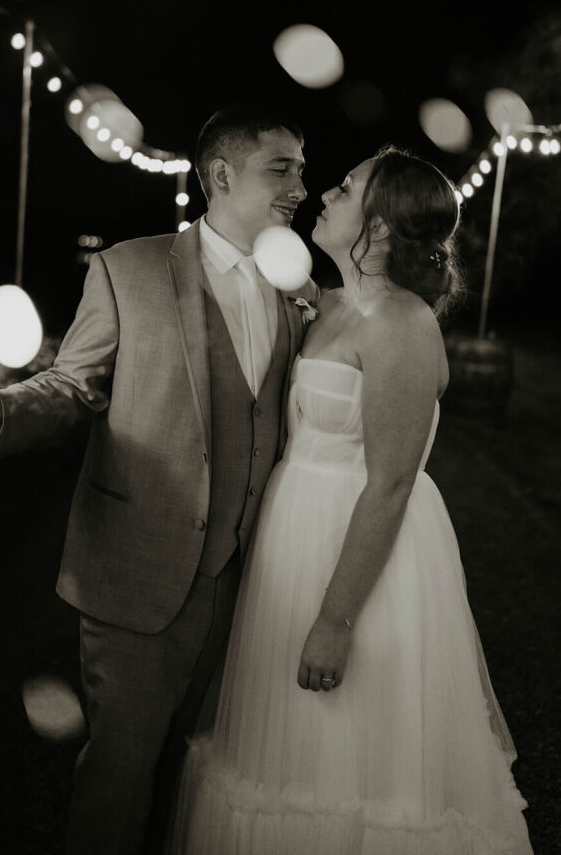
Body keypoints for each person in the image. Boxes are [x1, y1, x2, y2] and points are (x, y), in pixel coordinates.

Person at [0, 103, 317, 854]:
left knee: (203, 775)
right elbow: (70, 387)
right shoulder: (129, 268)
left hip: (250, 582)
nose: (300, 185)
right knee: (119, 775)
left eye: (302, 168)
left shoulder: (295, 286)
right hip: (139, 569)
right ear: (221, 175)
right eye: (283, 168)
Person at [171, 145, 534, 854]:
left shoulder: (401, 324)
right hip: (292, 542)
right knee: (276, 744)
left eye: (344, 188)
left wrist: (336, 619)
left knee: (348, 760)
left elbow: (392, 481)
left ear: (381, 226)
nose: (324, 195)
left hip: (359, 558)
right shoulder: (328, 305)